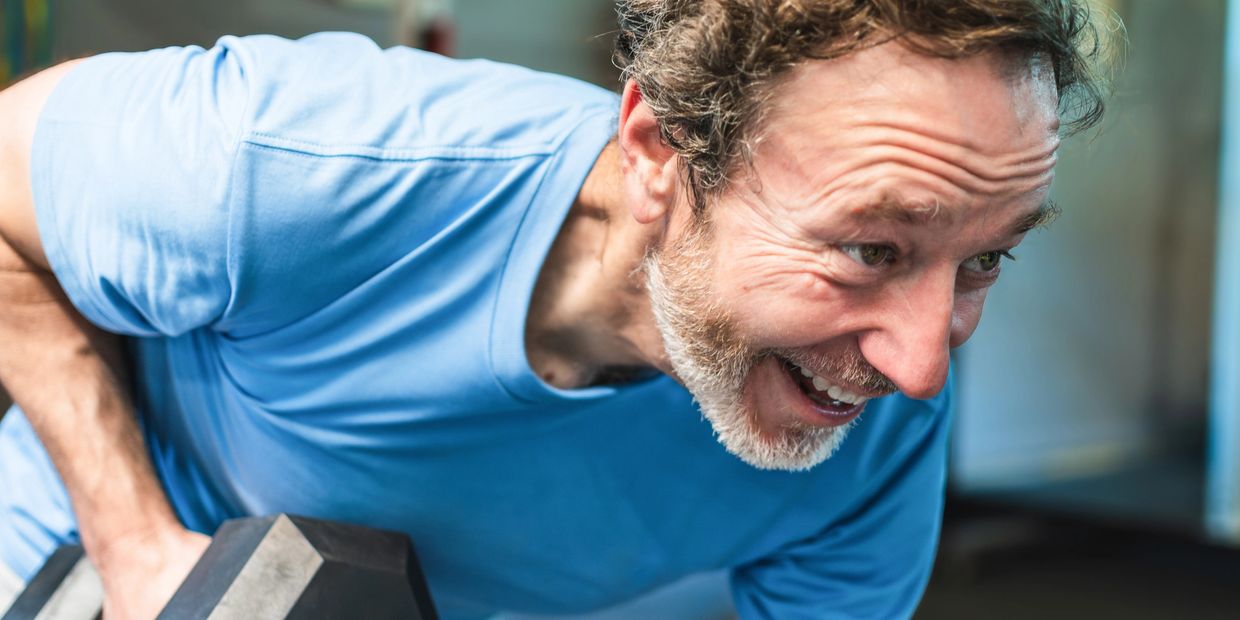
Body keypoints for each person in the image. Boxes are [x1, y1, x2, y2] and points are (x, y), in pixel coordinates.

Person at [0, 1, 1107, 618]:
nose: (921, 362)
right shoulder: (299, 162)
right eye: (871, 248)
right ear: (658, 155)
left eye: (983, 261)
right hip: (80, 562)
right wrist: (139, 545)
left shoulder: (869, 420)